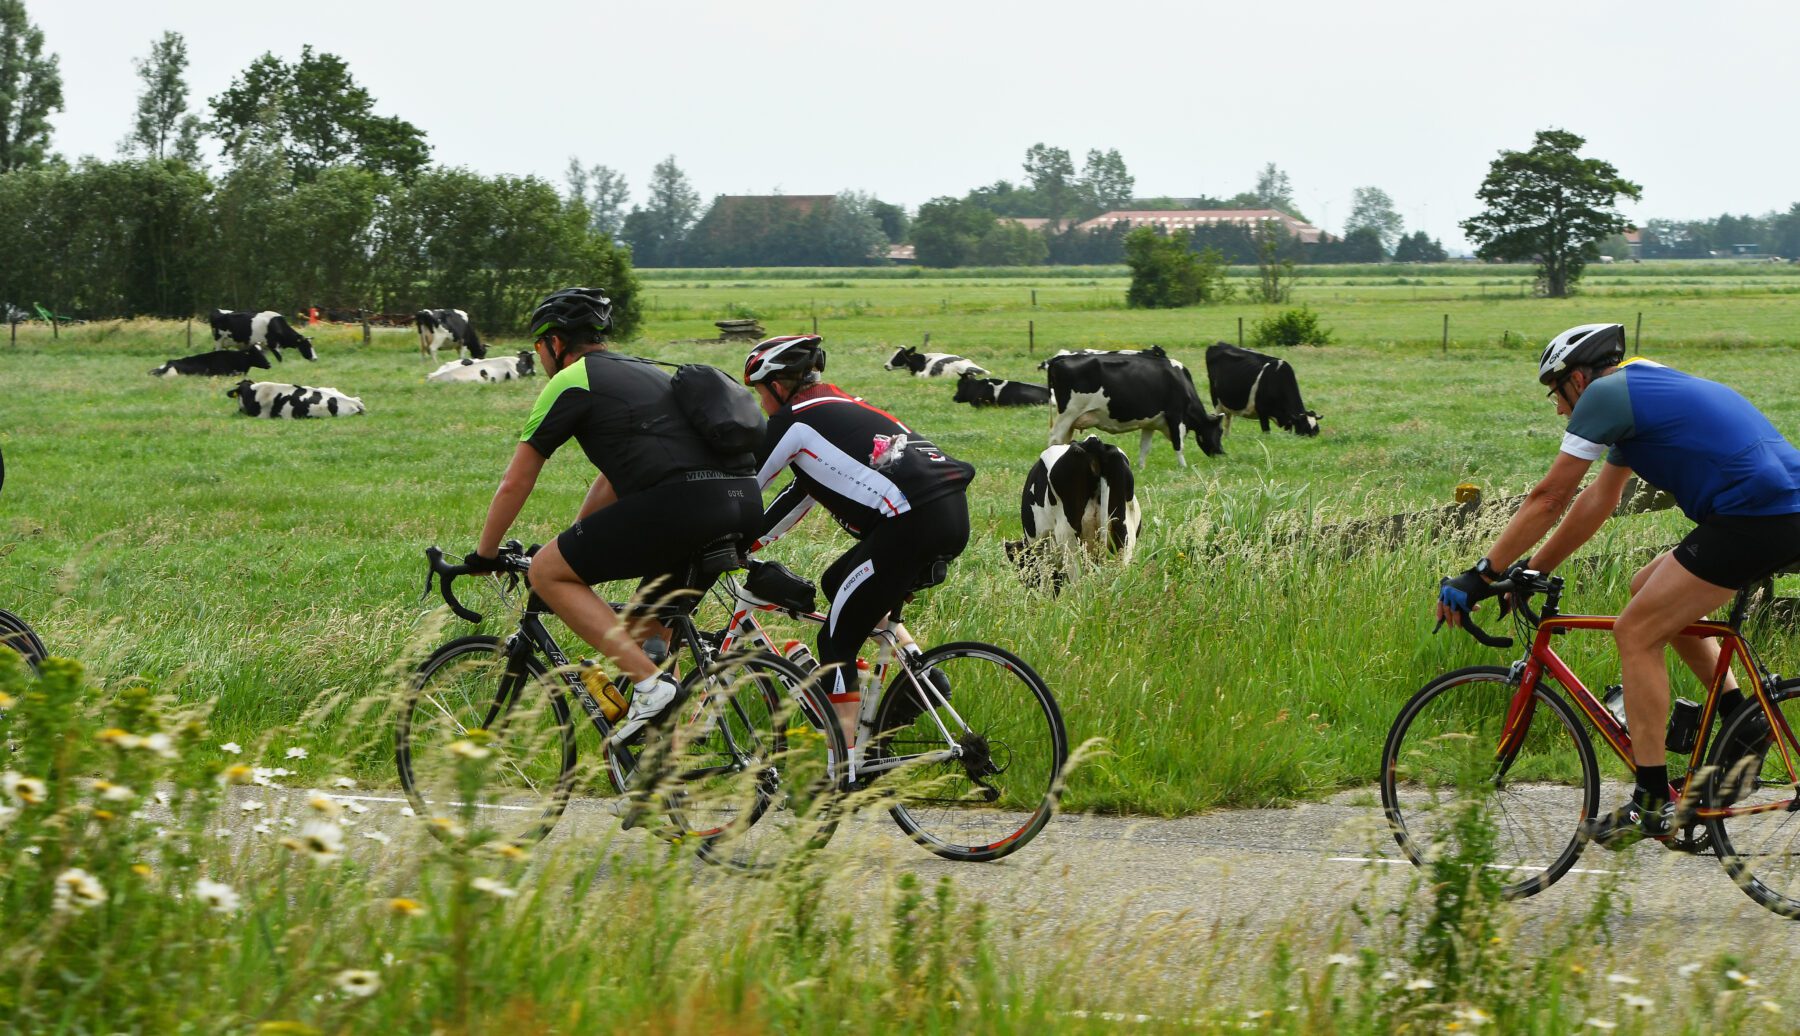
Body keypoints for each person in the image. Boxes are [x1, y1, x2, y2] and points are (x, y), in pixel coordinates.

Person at [1435, 322, 1800, 848]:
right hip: (1774, 509)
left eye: (1555, 394)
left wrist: (1483, 572)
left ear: (1576, 379)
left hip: (1755, 514)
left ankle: (1652, 800)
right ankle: (1740, 722)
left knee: (1635, 633)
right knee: (1644, 588)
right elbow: (1597, 501)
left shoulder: (1606, 396)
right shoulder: (1641, 390)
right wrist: (1533, 565)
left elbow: (1549, 497)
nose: (1559, 409)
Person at [470, 287, 762, 746]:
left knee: (548, 573)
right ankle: (665, 758)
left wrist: (485, 553)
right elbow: (612, 477)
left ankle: (651, 688)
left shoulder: (571, 381)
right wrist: (574, 538)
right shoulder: (647, 372)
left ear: (554, 342)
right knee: (648, 629)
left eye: (538, 345)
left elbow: (516, 481)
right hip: (743, 501)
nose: (538, 355)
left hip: (684, 507)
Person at [741, 335, 975, 742]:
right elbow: (801, 493)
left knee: (835, 642)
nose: (761, 404)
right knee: (837, 583)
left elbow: (745, 489)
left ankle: (845, 766)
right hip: (949, 514)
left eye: (761, 393)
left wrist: (723, 538)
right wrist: (752, 542)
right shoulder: (840, 407)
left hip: (911, 523)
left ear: (778, 386)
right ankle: (921, 672)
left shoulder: (792, 419)